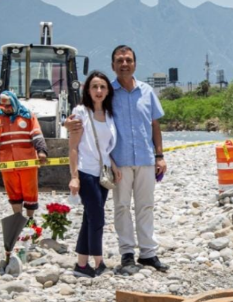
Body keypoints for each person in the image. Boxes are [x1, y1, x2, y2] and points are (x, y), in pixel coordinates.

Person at [66, 45, 169, 273]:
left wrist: (160, 155)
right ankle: (127, 254)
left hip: (145, 157)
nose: (124, 64)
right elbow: (86, 111)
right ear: (113, 65)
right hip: (118, 161)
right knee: (121, 207)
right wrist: (68, 122)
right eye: (120, 60)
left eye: (128, 60)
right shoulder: (107, 92)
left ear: (135, 63)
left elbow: (155, 125)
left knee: (146, 206)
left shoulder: (147, 91)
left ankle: (149, 253)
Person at [67, 71, 122, 278]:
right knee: (97, 217)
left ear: (108, 91)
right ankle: (99, 262)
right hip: (86, 171)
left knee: (89, 218)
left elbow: (105, 147)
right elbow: (73, 147)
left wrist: (113, 164)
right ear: (87, 90)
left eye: (102, 87)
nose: (99, 91)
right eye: (94, 87)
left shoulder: (108, 115)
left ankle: (81, 265)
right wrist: (74, 176)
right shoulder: (80, 113)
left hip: (104, 173)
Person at [0, 91, 48, 225]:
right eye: (4, 107)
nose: (6, 109)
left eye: (8, 106)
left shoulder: (27, 116)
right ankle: (17, 218)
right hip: (7, 162)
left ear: (14, 103)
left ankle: (30, 218)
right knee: (13, 191)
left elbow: (36, 134)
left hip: (27, 161)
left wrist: (41, 151)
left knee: (30, 190)